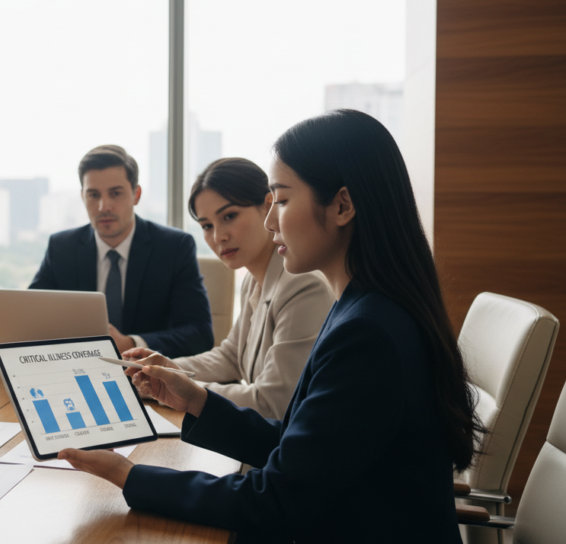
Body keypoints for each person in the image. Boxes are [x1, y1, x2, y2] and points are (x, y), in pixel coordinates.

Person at [59, 110, 483, 543]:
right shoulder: (363, 309)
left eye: (280, 200)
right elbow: (298, 448)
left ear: (342, 205)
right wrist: (197, 399)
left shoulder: (368, 334)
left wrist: (130, 476)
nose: (269, 220)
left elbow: (274, 500)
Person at [123, 158, 332, 419]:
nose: (218, 236)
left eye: (229, 216)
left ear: (268, 207)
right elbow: (231, 357)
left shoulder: (302, 285)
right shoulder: (253, 280)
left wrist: (176, 389)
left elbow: (273, 404)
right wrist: (161, 369)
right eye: (207, 226)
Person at [30, 145, 213, 358]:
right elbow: (29, 317)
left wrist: (130, 343)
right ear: (82, 197)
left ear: (136, 194)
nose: (103, 206)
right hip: (78, 368)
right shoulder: (62, 247)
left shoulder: (174, 247)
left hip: (147, 378)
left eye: (115, 193)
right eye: (93, 195)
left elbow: (200, 334)